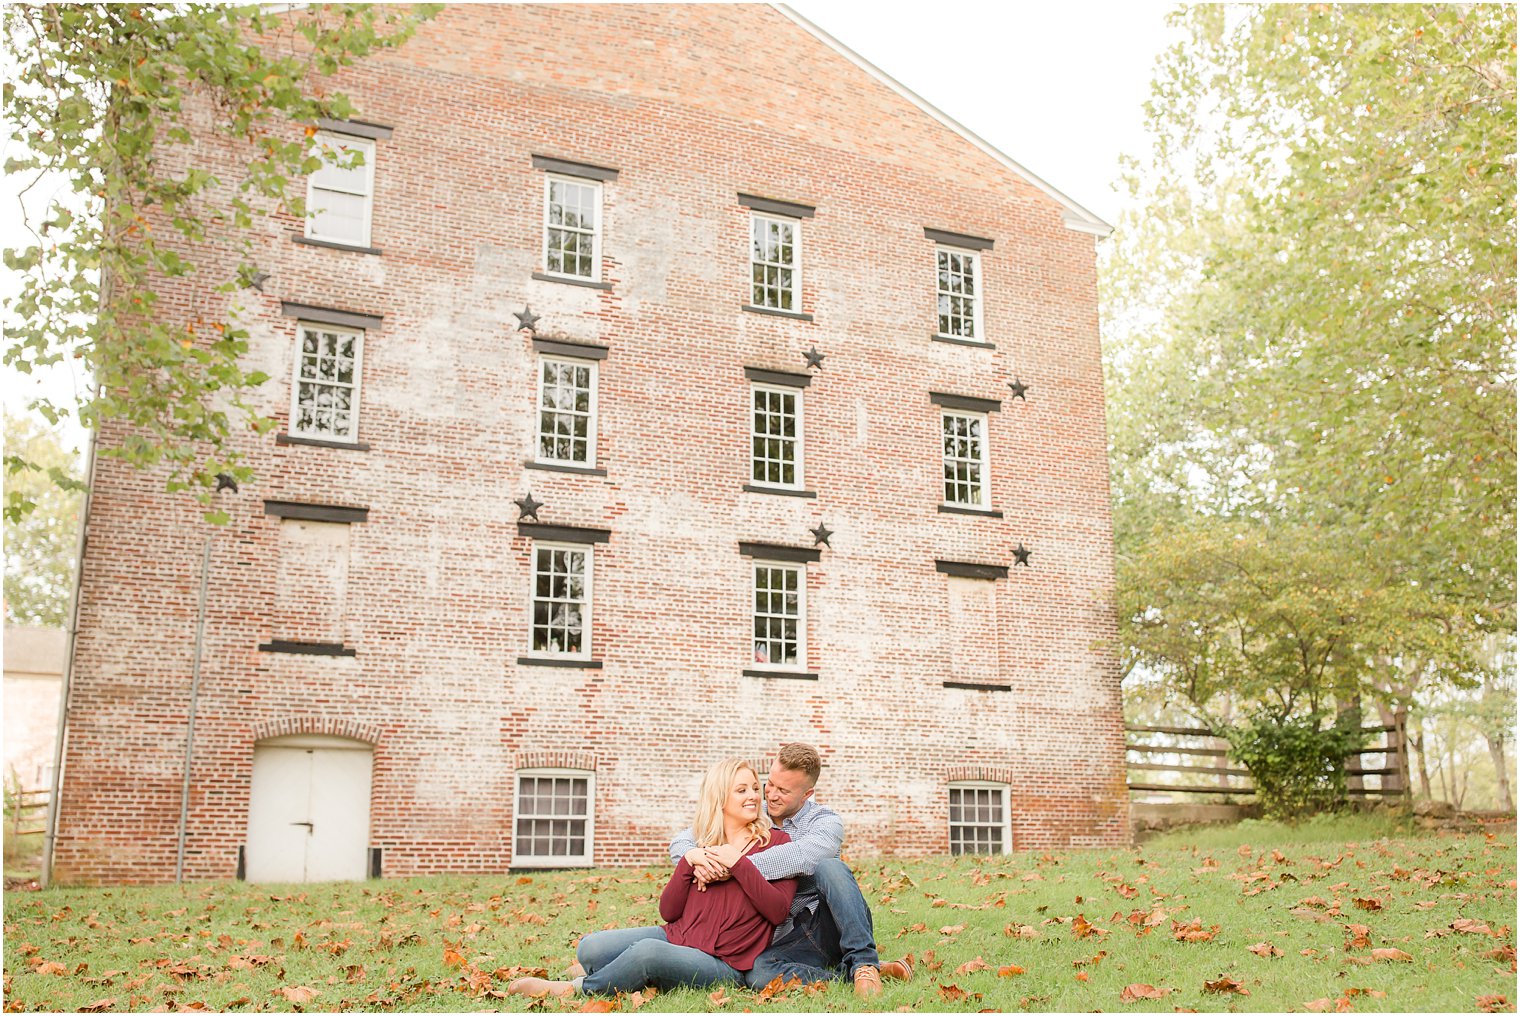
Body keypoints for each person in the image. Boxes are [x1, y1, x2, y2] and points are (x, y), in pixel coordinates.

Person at [507, 758, 796, 998]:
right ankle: (615, 966)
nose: (754, 796)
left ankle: (576, 989)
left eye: (755, 788)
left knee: (647, 953)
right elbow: (668, 912)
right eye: (741, 790)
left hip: (724, 962)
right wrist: (688, 861)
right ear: (719, 797)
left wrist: (739, 864)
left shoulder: (778, 844)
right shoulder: (703, 843)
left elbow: (777, 911)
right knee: (589, 947)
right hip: (677, 937)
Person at [670, 743, 912, 998]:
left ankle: (864, 964)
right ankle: (851, 975)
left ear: (807, 794)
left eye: (783, 791)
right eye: (770, 784)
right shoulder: (752, 812)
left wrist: (737, 866)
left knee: (830, 867)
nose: (771, 795)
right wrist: (697, 857)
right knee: (759, 973)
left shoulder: (825, 821)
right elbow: (682, 841)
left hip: (828, 924)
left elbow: (801, 857)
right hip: (785, 933)